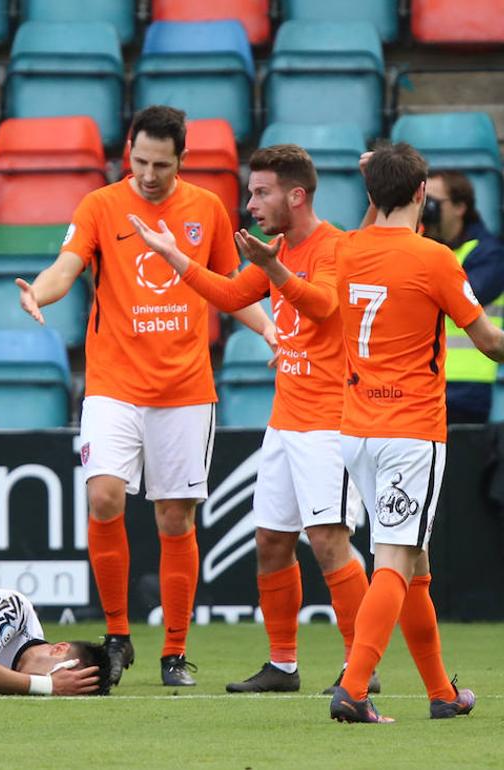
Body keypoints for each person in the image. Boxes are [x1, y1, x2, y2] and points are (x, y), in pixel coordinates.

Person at [16, 105, 275, 687]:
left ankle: (175, 652)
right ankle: (116, 636)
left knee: (174, 515)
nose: (150, 174)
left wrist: (270, 330)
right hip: (113, 384)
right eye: (140, 161)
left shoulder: (206, 208)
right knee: (105, 496)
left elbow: (234, 288)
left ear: (181, 159)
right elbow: (67, 265)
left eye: (161, 164)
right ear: (127, 152)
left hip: (184, 390)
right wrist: (43, 294)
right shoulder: (100, 206)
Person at [129, 144, 376, 694]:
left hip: (330, 424)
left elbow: (325, 306)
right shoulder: (281, 248)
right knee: (271, 541)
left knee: (330, 540)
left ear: (296, 194)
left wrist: (273, 267)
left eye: (261, 192)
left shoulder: (333, 246)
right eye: (250, 191)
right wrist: (176, 256)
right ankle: (283, 666)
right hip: (286, 422)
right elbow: (232, 292)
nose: (251, 202)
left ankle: (362, 666)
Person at [328, 142, 502, 723]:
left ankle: (441, 694)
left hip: (357, 430)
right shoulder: (435, 259)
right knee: (396, 560)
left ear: (371, 197)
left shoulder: (347, 250)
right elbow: (490, 341)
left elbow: (368, 226)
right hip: (411, 431)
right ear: (423, 194)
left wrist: (373, 186)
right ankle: (354, 688)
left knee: (415, 563)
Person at [423, 170, 504, 423]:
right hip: (424, 379)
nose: (428, 210)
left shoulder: (490, 254)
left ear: (460, 207)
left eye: (433, 203)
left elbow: (458, 299)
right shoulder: (424, 248)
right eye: (424, 202)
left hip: (467, 386)